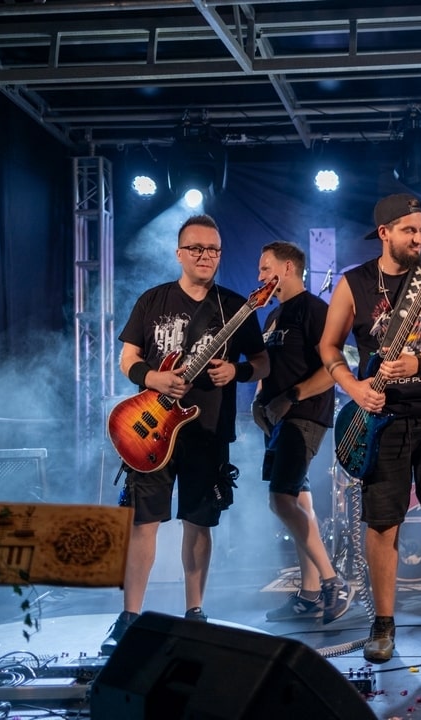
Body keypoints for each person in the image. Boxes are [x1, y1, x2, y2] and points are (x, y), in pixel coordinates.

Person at [318, 193, 421, 664]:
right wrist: (354, 388)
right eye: (409, 230)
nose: (419, 238)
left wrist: (420, 363)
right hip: (380, 417)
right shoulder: (354, 284)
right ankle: (383, 626)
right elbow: (328, 347)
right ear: (384, 232)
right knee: (382, 521)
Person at [102, 213, 270, 655]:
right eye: (196, 248)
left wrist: (237, 371)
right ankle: (129, 616)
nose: (205, 256)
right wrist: (154, 378)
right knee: (144, 523)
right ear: (179, 253)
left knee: (199, 521)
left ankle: (194, 612)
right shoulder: (152, 300)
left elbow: (263, 363)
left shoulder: (236, 306)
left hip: (207, 431)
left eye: (213, 249)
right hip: (151, 429)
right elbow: (127, 359)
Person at [253, 240, 354, 624]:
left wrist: (291, 397)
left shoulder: (314, 310)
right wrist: (259, 400)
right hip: (277, 421)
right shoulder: (273, 316)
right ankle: (310, 594)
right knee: (300, 504)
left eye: (266, 268)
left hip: (303, 417)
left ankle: (334, 583)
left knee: (280, 501)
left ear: (288, 268)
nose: (260, 276)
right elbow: (269, 368)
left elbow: (334, 369)